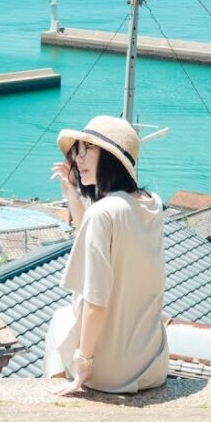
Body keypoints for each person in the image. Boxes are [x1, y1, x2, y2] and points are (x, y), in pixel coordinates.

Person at [44, 115, 169, 395]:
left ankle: (56, 396)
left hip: (111, 375)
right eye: (78, 149)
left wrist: (83, 364)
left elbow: (95, 302)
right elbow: (91, 239)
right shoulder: (153, 204)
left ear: (111, 157)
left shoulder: (103, 213)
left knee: (59, 320)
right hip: (153, 364)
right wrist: (73, 196)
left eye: (89, 149)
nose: (79, 158)